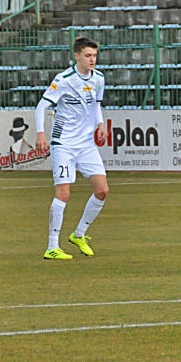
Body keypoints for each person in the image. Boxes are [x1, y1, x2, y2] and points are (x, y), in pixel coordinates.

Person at [34, 37, 109, 261]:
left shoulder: (99, 78)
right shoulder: (64, 79)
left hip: (86, 144)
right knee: (64, 192)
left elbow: (96, 104)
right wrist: (40, 133)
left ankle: (79, 235)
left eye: (94, 55)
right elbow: (42, 105)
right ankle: (52, 246)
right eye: (87, 55)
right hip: (64, 143)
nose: (92, 59)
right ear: (76, 56)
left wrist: (101, 124)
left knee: (102, 190)